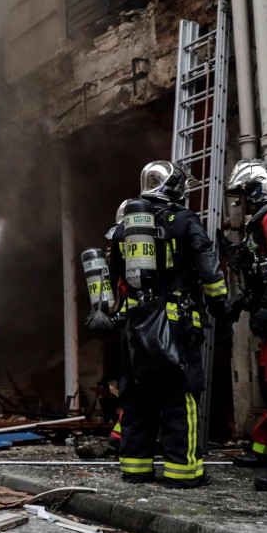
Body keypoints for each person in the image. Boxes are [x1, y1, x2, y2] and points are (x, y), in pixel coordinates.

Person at [108, 161, 228, 489]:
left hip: (134, 329)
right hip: (178, 324)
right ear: (174, 186)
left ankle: (135, 469)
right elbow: (208, 266)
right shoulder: (185, 221)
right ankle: (184, 472)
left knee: (137, 398)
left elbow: (112, 278)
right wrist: (220, 305)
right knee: (180, 395)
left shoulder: (124, 229)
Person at [224, 160, 267, 490]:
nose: (241, 204)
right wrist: (245, 301)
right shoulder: (262, 222)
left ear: (255, 192)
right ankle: (264, 451)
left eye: (243, 195)